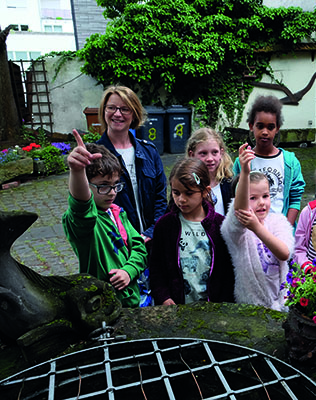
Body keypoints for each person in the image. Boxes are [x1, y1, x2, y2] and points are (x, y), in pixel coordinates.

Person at [62, 131, 146, 308]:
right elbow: (81, 206)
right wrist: (77, 171)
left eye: (115, 184)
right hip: (102, 309)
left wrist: (128, 271)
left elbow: (139, 248)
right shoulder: (83, 223)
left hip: (131, 303)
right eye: (103, 186)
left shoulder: (117, 213)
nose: (113, 192)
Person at [149, 158, 235, 305]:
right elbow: (156, 267)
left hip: (214, 310)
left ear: (205, 191)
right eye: (176, 193)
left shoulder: (220, 225)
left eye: (189, 193)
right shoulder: (164, 226)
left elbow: (228, 272)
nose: (181, 199)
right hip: (176, 309)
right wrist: (164, 297)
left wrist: (223, 304)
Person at [222, 143, 294, 311]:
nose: (261, 202)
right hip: (251, 305)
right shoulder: (235, 231)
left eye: (266, 196)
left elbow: (284, 253)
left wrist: (257, 227)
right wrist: (245, 172)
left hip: (281, 303)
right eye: (252, 198)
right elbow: (239, 210)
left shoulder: (278, 221)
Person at [96, 85, 168, 242]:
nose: (117, 114)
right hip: (117, 243)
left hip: (151, 242)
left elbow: (161, 197)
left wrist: (152, 232)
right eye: (111, 108)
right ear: (103, 111)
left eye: (124, 109)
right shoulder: (96, 155)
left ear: (134, 114)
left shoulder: (149, 152)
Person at [232, 95, 305, 226]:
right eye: (260, 126)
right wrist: (244, 170)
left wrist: (284, 229)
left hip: (280, 231)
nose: (265, 132)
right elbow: (236, 198)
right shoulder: (243, 161)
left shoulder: (290, 162)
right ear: (251, 126)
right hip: (251, 232)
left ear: (277, 129)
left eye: (270, 127)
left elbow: (295, 199)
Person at [186, 127, 234, 216]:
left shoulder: (228, 183)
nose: (210, 159)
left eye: (214, 152)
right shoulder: (184, 184)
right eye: (203, 153)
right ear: (192, 155)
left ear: (221, 153)